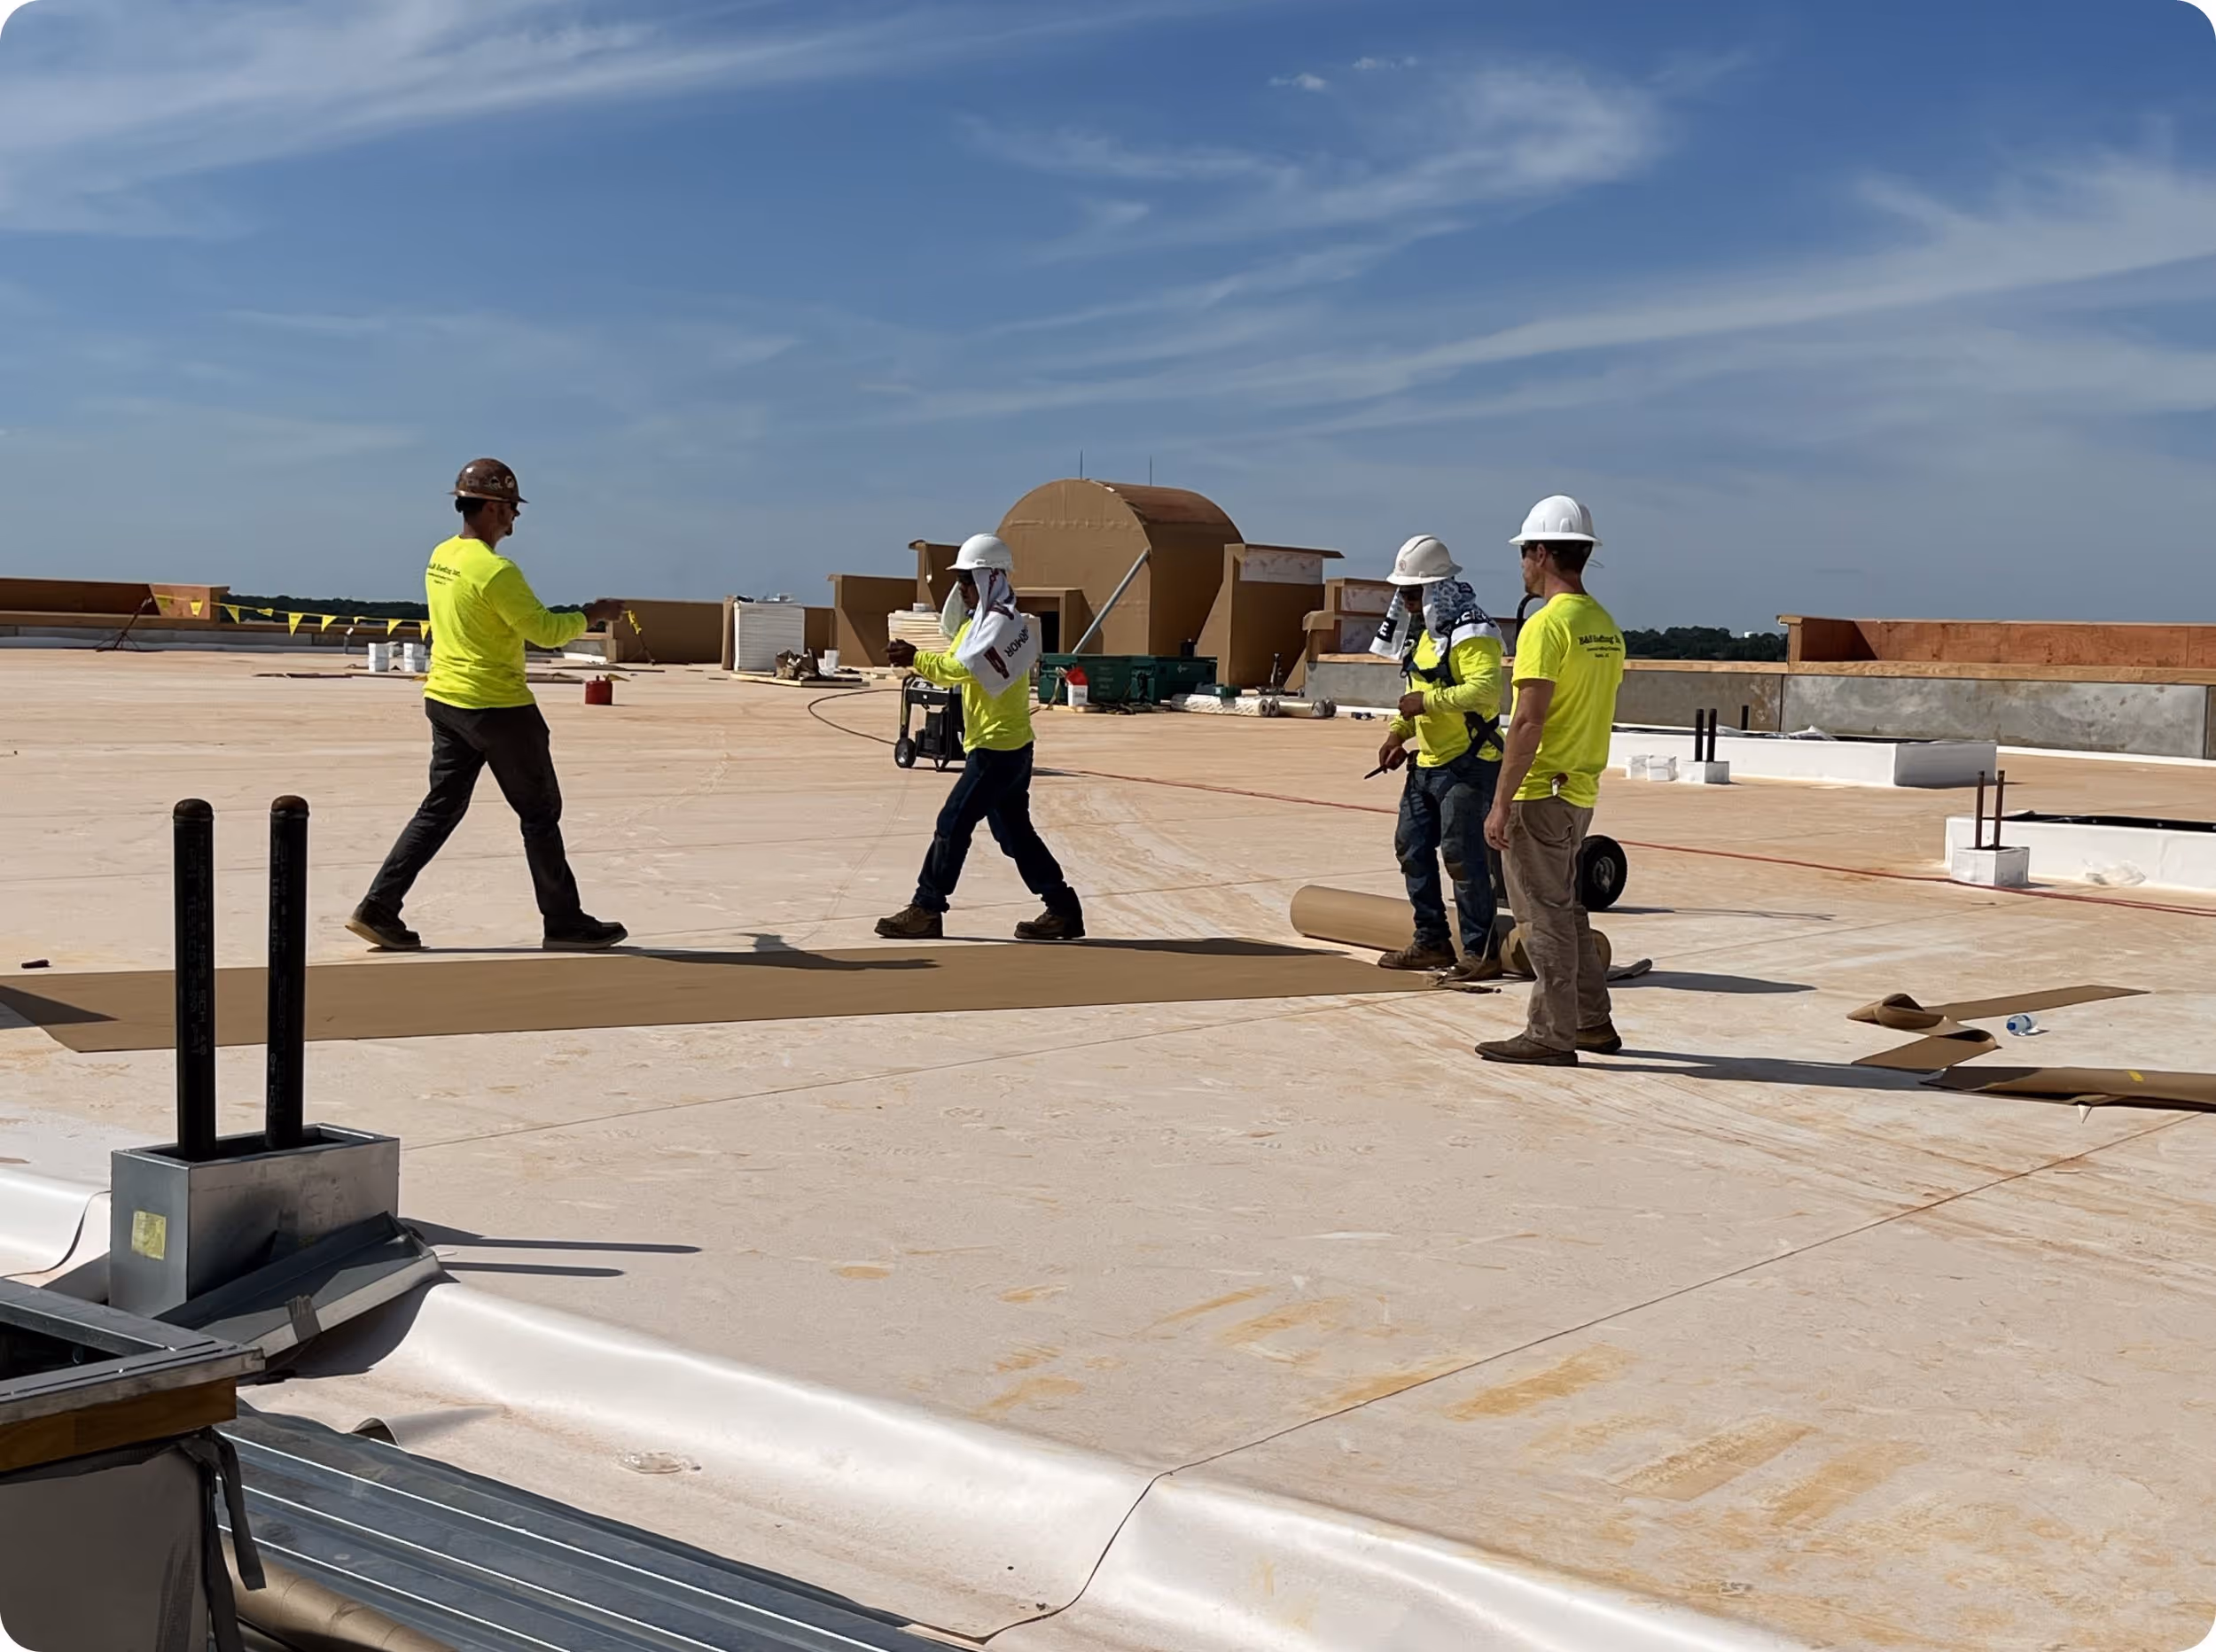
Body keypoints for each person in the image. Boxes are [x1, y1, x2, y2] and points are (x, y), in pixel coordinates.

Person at [348, 458, 628, 953]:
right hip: (497, 706)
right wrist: (593, 613)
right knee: (539, 813)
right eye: (511, 510)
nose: (515, 520)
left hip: (445, 699)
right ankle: (564, 922)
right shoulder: (497, 570)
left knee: (439, 809)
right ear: (494, 506)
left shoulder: (442, 556)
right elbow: (543, 631)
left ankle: (379, 906)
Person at [875, 534, 1085, 942]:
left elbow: (961, 668)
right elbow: (956, 646)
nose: (962, 588)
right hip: (1009, 746)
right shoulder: (990, 620)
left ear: (988, 578)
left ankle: (926, 907)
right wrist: (935, 642)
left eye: (967, 580)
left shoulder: (1002, 625)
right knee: (1014, 835)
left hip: (997, 748)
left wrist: (914, 658)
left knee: (952, 823)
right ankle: (1062, 909)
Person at [1478, 495, 1626, 1066]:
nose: (1522, 565)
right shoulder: (1605, 627)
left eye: (1524, 553)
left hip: (1539, 792)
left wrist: (1501, 801)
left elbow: (1529, 722)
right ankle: (1591, 1022)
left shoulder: (1546, 626)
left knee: (1542, 918)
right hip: (1579, 790)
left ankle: (1550, 1033)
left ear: (1540, 553)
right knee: (1567, 911)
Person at [1373, 534, 1504, 983]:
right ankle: (1431, 940)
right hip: (1428, 764)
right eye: (1403, 593)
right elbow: (1413, 698)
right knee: (1411, 847)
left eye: (1413, 592)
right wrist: (1398, 734)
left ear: (1436, 588)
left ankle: (1479, 950)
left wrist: (1425, 705)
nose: (1405, 600)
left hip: (1470, 761)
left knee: (1463, 855)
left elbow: (1485, 691)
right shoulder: (1423, 637)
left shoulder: (1473, 632)